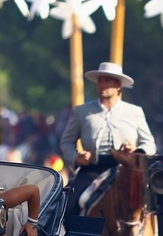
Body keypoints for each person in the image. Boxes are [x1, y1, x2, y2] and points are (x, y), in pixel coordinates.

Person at [59, 61, 155, 217]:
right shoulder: (81, 112)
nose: (102, 84)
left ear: (118, 85)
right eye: (100, 80)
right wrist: (77, 157)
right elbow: (66, 142)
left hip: (126, 169)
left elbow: (149, 143)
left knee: (155, 202)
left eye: (107, 80)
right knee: (68, 205)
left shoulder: (134, 112)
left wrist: (136, 151)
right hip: (92, 169)